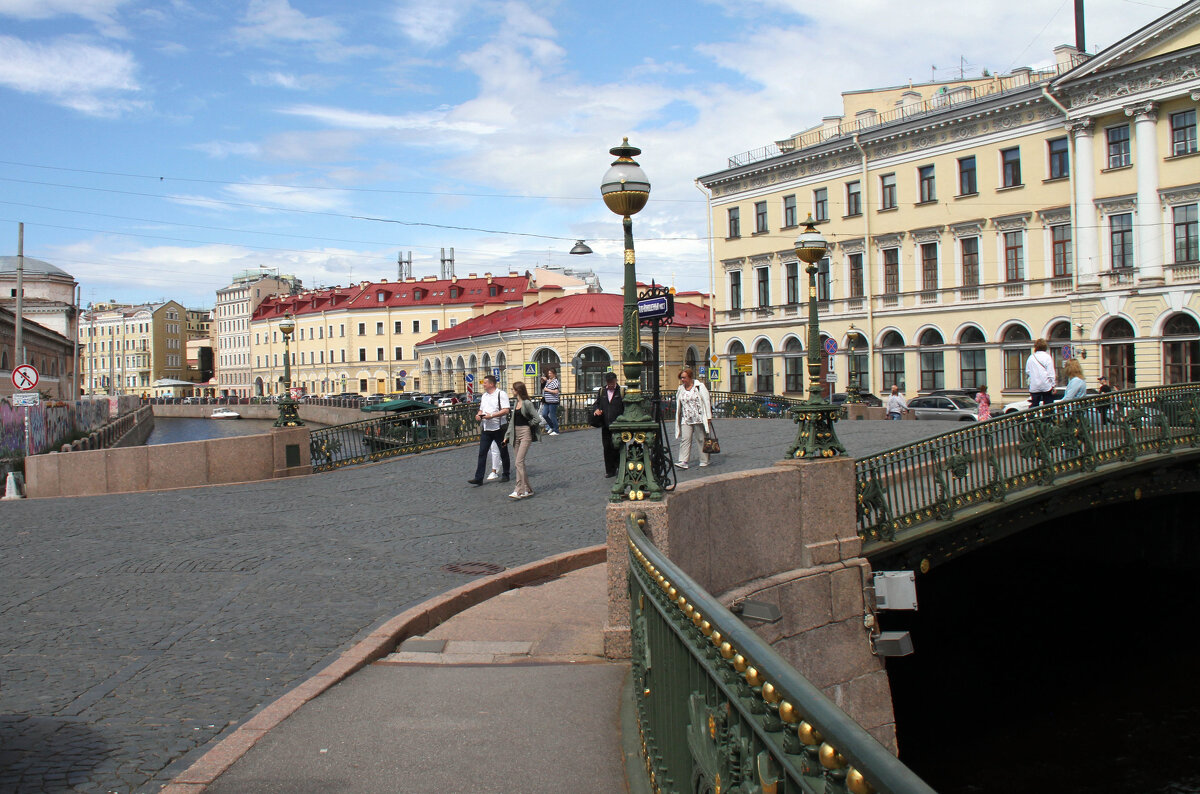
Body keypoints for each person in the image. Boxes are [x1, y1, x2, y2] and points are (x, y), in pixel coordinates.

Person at [505, 381, 546, 499]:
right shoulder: (515, 403)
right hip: (515, 434)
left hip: (525, 434)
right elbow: (512, 421)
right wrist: (506, 436)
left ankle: (520, 490)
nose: (511, 391)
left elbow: (537, 418)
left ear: (518, 390)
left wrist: (529, 424)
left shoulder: (527, 403)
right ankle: (528, 489)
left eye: (513, 389)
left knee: (518, 462)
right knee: (520, 463)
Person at [468, 375, 510, 486]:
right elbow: (481, 409)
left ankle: (506, 473)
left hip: (499, 428)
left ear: (491, 384)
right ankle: (479, 478)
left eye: (485, 383)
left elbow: (506, 410)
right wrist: (478, 415)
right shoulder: (484, 396)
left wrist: (492, 415)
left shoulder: (501, 394)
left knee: (503, 452)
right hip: (486, 428)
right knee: (482, 453)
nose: (483, 384)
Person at [674, 368, 713, 469]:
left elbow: (706, 401)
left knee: (701, 439)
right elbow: (679, 403)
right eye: (681, 378)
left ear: (690, 377)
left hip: (699, 417)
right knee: (685, 439)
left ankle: (704, 460)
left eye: (684, 378)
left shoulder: (700, 387)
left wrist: (708, 417)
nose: (682, 380)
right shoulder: (680, 389)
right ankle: (683, 461)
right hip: (686, 418)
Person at [592, 371, 624, 478]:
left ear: (616, 381)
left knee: (618, 446)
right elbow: (596, 403)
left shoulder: (621, 391)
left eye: (612, 382)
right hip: (605, 424)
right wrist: (596, 409)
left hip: (618, 424)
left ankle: (620, 467)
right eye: (609, 382)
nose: (610, 384)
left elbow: (625, 406)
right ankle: (609, 470)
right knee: (607, 447)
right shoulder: (602, 391)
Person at [1025, 338, 1057, 408]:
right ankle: (1047, 418)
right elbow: (1051, 373)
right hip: (1046, 385)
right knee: (1048, 406)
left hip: (1034, 386)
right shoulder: (1047, 357)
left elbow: (1027, 371)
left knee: (1034, 405)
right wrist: (1053, 385)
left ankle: (1032, 418)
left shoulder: (1031, 357)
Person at [540, 367, 561, 435]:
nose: (549, 374)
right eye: (549, 373)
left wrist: (547, 390)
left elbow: (556, 391)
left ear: (554, 374)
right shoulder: (548, 381)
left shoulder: (555, 381)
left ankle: (556, 430)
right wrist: (543, 382)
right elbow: (543, 388)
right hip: (547, 401)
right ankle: (552, 427)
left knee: (552, 416)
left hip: (553, 401)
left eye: (550, 373)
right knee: (544, 414)